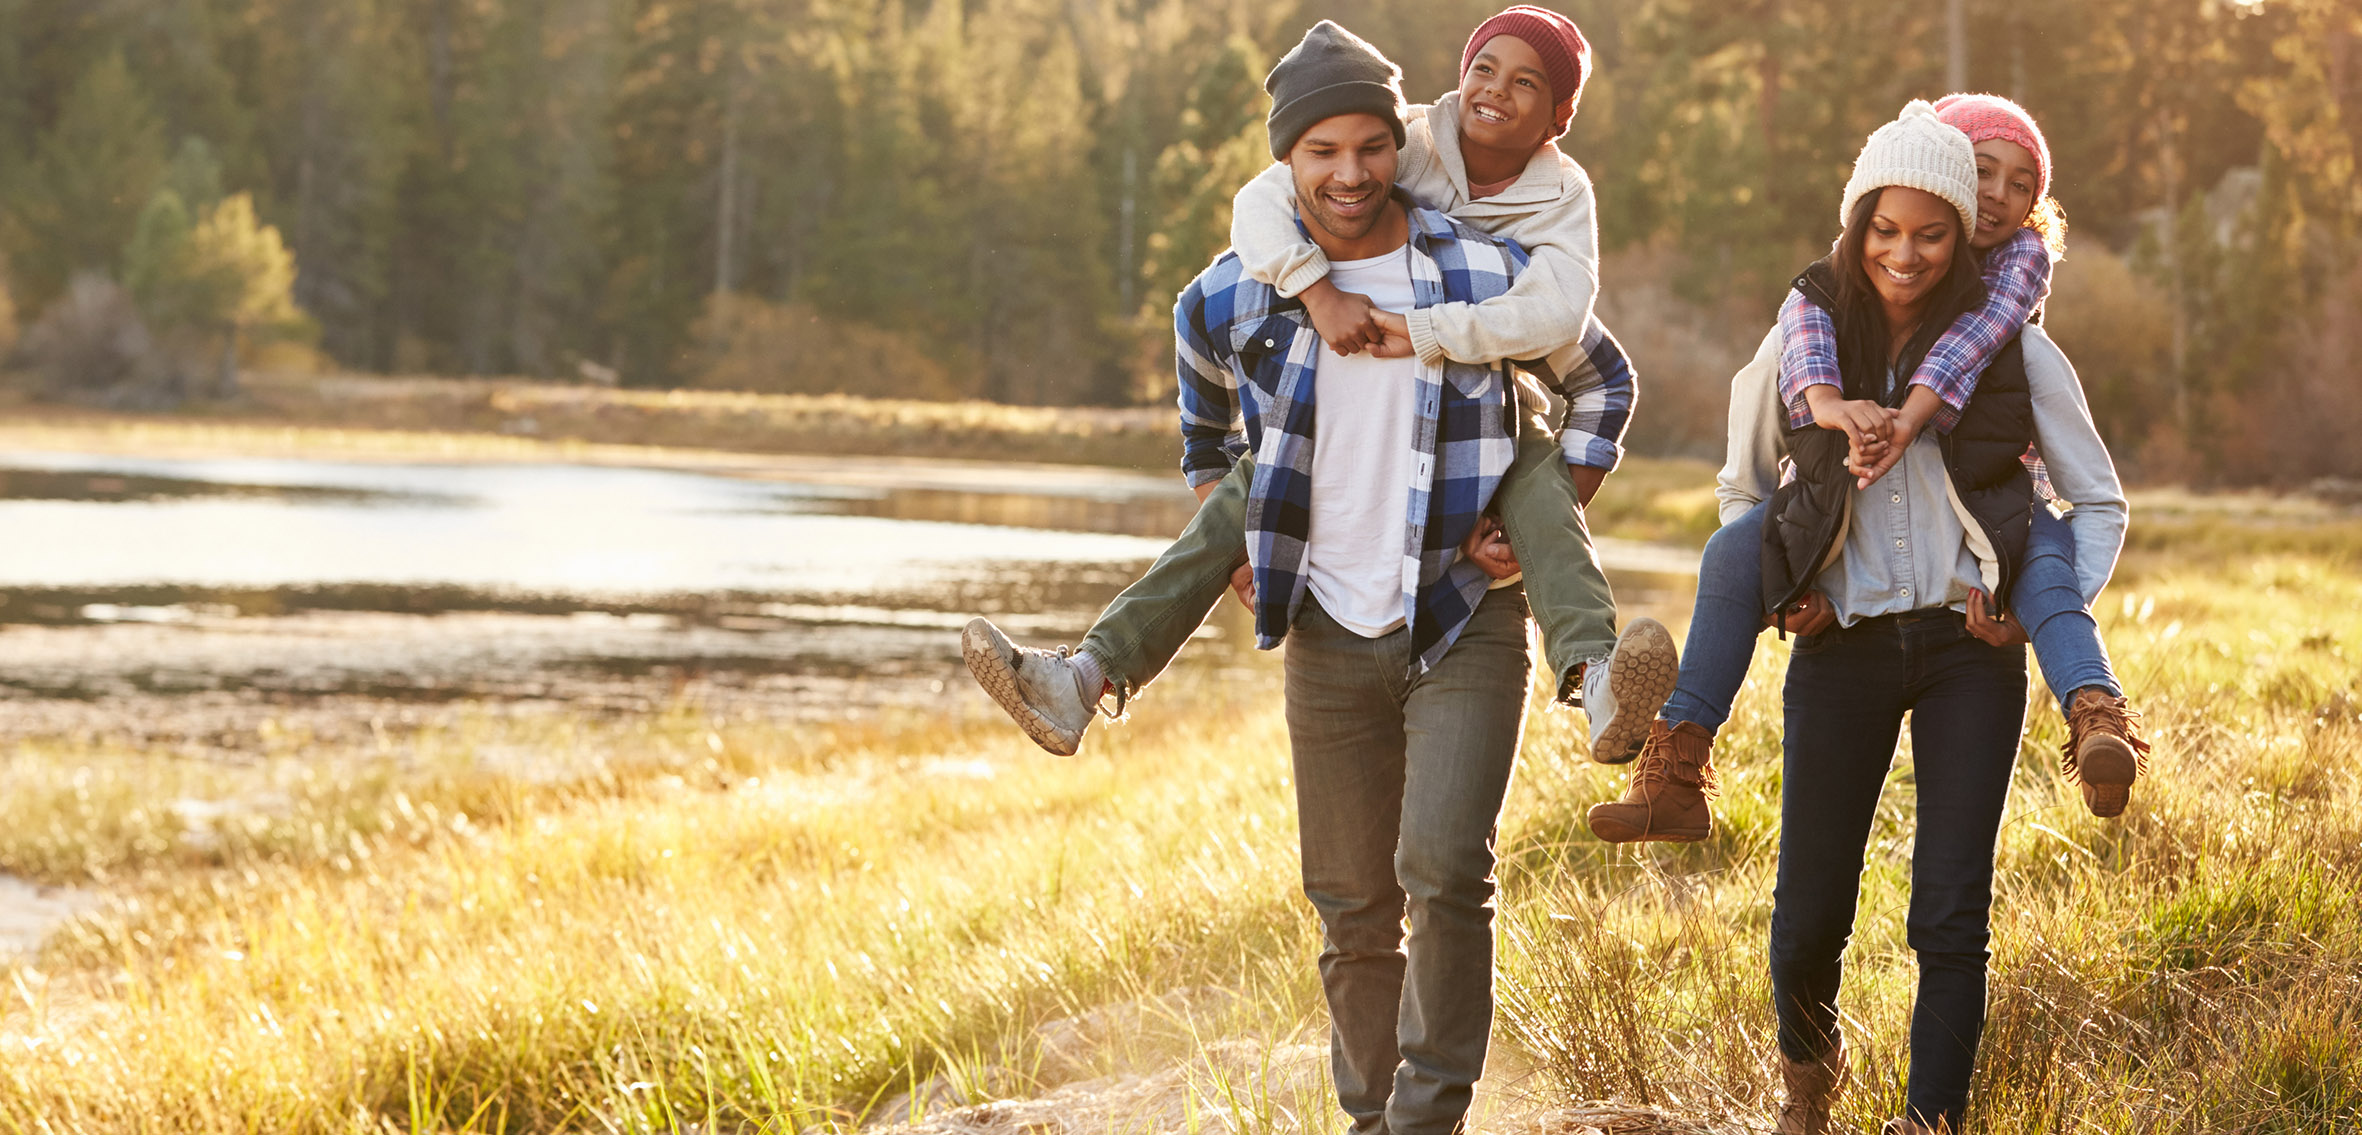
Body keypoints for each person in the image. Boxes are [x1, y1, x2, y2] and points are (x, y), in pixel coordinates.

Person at [1047, 24, 1551, 1134]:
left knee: (1442, 868)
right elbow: (1202, 438)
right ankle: (1367, 1119)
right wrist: (1233, 538)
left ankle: (1429, 1118)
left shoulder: (1474, 268)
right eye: (1321, 150)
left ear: (1397, 147)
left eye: (1371, 145)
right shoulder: (1229, 295)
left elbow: (1602, 377)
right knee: (1352, 904)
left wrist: (1567, 498)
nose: (1349, 173)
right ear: (1284, 161)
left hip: (1460, 615)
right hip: (1324, 626)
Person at [964, 5, 1675, 770]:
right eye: (1484, 69)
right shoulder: (1401, 142)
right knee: (1249, 488)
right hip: (1331, 419)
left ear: (1560, 115)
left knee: (1537, 477)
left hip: (1490, 415)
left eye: (1527, 82)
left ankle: (1595, 678)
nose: (1352, 169)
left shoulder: (1557, 206)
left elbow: (1571, 322)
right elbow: (1263, 200)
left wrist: (1529, 515)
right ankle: (1084, 678)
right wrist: (1314, 290)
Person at [1584, 92, 2145, 844]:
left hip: (1991, 533)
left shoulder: (2010, 306)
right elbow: (1749, 467)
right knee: (1729, 550)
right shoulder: (1817, 307)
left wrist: (1909, 418)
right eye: (1984, 174)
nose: (2000, 198)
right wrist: (1789, 583)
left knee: (2044, 559)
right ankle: (1677, 760)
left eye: (2022, 186)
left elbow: (1980, 349)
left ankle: (2096, 711)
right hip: (1839, 581)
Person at [1721, 102, 2125, 1135]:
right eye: (1889, 229)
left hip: (1966, 651)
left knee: (1950, 910)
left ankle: (1928, 1119)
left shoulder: (2016, 354)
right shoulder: (1803, 340)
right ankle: (1807, 1083)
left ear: (1958, 237)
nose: (1909, 250)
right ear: (1864, 226)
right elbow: (1739, 491)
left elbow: (2099, 501)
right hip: (1841, 647)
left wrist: (2037, 612)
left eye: (1935, 230)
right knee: (1808, 911)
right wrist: (1785, 590)